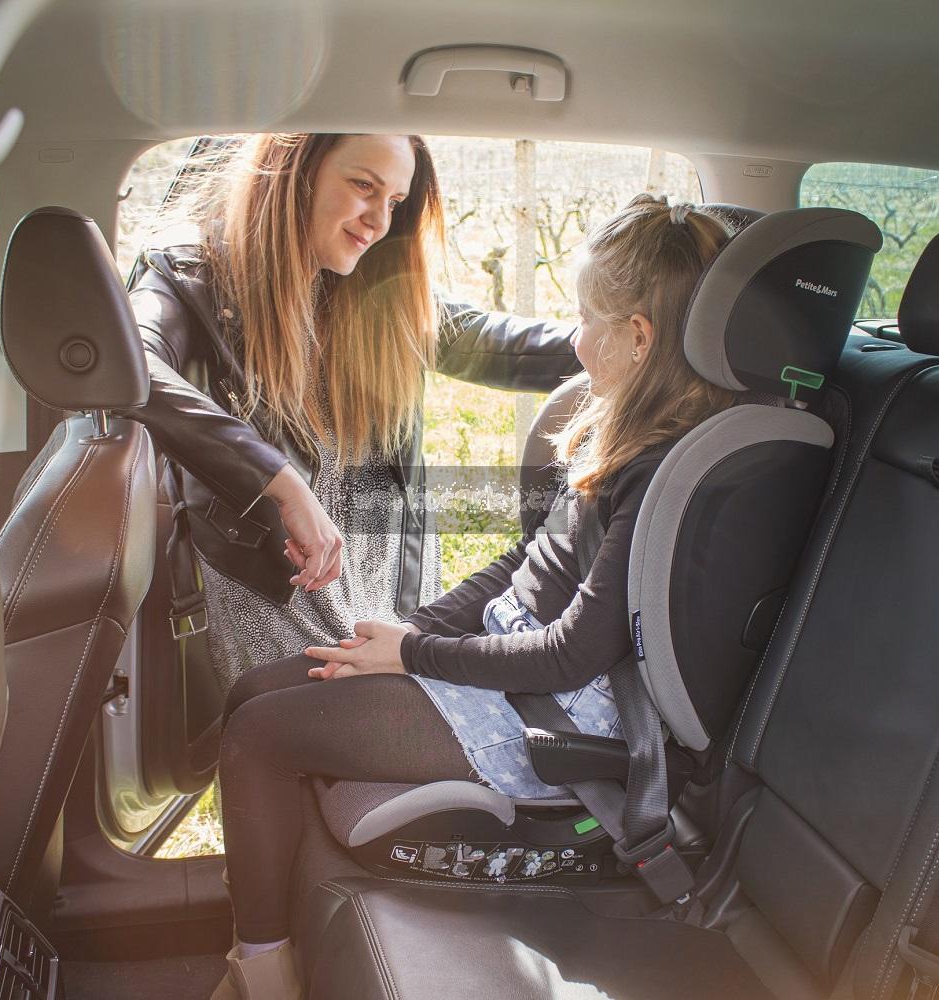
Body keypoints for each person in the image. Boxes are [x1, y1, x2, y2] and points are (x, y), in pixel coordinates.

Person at [209, 195, 741, 999]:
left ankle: (263, 974)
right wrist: (403, 633)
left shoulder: (663, 471)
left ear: (638, 337)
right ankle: (266, 928)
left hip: (552, 715)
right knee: (250, 692)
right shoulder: (614, 430)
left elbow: (573, 654)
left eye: (585, 319)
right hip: (509, 670)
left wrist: (416, 656)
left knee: (259, 737)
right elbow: (524, 564)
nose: (573, 338)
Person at [126, 132, 581, 691]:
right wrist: (280, 483)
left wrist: (622, 342)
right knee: (319, 726)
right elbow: (129, 364)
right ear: (296, 170)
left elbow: (493, 341)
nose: (379, 221)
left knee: (415, 716)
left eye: (395, 201)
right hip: (281, 589)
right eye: (363, 185)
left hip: (392, 584)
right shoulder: (196, 276)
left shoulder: (377, 283)